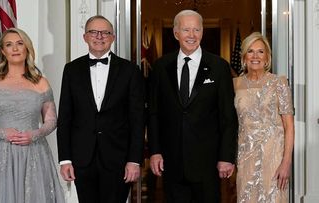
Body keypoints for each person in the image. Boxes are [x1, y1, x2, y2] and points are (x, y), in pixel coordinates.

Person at [0, 28, 65, 203]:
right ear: (2, 51)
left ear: (27, 48)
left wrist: (33, 135)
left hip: (34, 152)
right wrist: (3, 133)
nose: (15, 49)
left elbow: (51, 120)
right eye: (9, 45)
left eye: (19, 44)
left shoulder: (41, 83)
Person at [148, 9, 238, 203]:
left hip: (208, 163)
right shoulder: (161, 66)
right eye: (186, 30)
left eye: (196, 30)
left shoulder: (219, 66)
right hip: (171, 162)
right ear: (176, 33)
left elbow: (228, 116)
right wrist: (154, 151)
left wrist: (226, 156)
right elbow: (154, 113)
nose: (192, 35)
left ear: (202, 32)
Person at [56, 15, 145, 203]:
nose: (99, 37)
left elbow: (137, 119)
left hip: (118, 159)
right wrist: (65, 159)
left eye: (105, 33)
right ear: (85, 37)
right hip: (82, 159)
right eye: (94, 32)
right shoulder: (71, 69)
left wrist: (134, 160)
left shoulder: (130, 70)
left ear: (112, 37)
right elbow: (65, 117)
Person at [234, 32, 294, 203]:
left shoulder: (279, 83)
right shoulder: (235, 84)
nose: (255, 56)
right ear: (244, 56)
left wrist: (286, 162)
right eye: (250, 51)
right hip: (246, 158)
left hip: (273, 158)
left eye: (260, 52)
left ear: (267, 57)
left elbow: (289, 126)